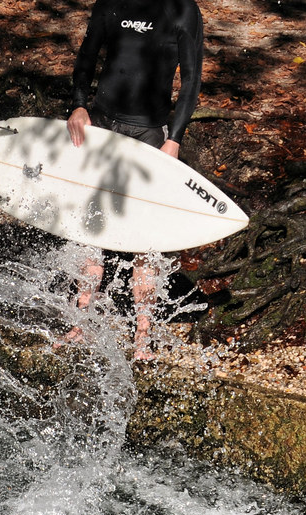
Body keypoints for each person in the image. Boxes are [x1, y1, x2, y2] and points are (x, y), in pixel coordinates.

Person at [65, 0, 203, 359]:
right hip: (102, 125)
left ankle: (142, 335)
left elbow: (191, 79)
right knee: (89, 225)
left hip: (150, 134)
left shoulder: (181, 9)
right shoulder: (110, 1)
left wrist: (174, 138)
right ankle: (80, 321)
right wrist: (78, 104)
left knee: (146, 239)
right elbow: (87, 55)